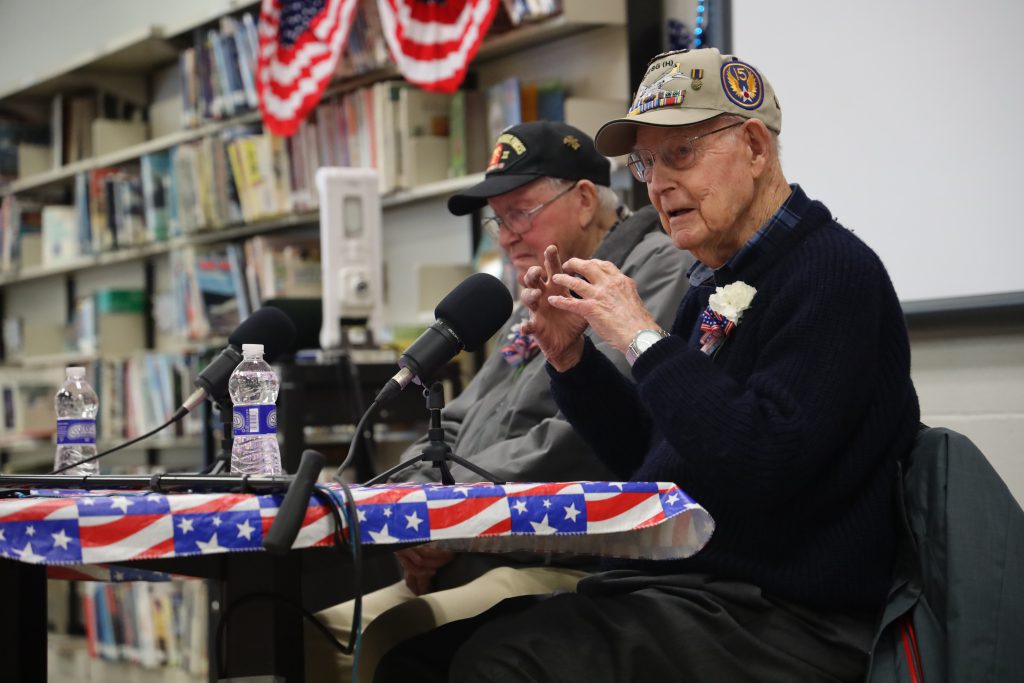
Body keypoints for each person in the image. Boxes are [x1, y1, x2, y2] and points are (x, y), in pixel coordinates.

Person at [374, 48, 922, 683]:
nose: (657, 182)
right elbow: (650, 455)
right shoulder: (715, 281)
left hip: (789, 616)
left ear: (752, 146)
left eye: (680, 154)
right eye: (646, 162)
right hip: (687, 590)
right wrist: (572, 359)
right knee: (415, 661)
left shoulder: (833, 273)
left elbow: (759, 462)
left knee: (498, 663)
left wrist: (642, 337)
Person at [305, 120, 693, 682]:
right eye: (498, 219)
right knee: (307, 634)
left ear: (585, 200)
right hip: (475, 542)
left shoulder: (650, 271)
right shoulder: (541, 284)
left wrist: (448, 513)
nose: (506, 234)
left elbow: (583, 436)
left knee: (385, 641)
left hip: (556, 552)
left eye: (521, 212)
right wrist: (415, 503)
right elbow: (460, 419)